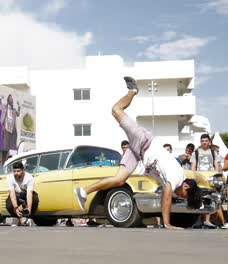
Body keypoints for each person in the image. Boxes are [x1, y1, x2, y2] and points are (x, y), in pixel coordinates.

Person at [73, 76, 201, 230]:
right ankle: (133, 91)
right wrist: (167, 223)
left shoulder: (174, 176)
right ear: (186, 187)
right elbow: (166, 195)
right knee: (115, 110)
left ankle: (83, 191)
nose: (180, 197)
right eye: (184, 196)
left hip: (137, 152)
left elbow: (164, 174)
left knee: (119, 179)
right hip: (143, 141)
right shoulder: (176, 177)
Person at [190, 134, 226, 229]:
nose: (204, 142)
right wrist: (193, 178)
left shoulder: (214, 153)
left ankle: (207, 221)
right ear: (200, 142)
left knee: (209, 199)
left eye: (206, 140)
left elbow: (217, 167)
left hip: (210, 180)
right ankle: (198, 221)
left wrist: (219, 176)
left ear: (209, 142)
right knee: (198, 199)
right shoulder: (196, 153)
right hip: (199, 179)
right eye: (202, 141)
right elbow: (193, 166)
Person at [6, 162, 39, 226]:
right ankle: (19, 218)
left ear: (23, 170)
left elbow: (29, 194)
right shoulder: (10, 178)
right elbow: (12, 194)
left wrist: (29, 208)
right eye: (14, 171)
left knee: (35, 198)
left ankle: (29, 218)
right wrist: (16, 208)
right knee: (9, 204)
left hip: (26, 194)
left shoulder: (29, 177)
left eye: (18, 171)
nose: (16, 173)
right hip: (16, 194)